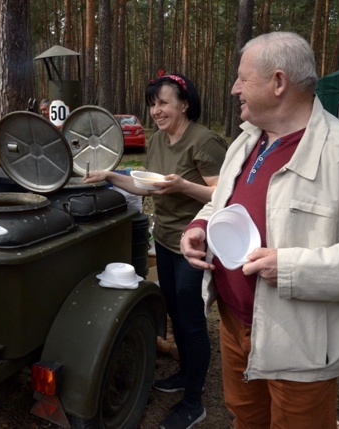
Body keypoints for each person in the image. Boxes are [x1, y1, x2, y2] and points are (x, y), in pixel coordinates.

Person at [181, 31, 339, 429]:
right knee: (244, 417)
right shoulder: (245, 142)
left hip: (300, 341)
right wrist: (201, 224)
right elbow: (221, 200)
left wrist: (295, 267)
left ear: (278, 83)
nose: (234, 89)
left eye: (243, 78)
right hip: (233, 321)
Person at [84, 72, 227, 429]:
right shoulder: (160, 140)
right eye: (152, 104)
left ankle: (194, 402)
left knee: (192, 323)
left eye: (163, 102)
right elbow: (147, 186)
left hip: (195, 244)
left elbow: (223, 195)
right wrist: (110, 175)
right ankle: (184, 373)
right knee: (175, 316)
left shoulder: (204, 141)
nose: (156, 111)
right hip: (163, 239)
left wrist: (183, 186)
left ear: (184, 104)